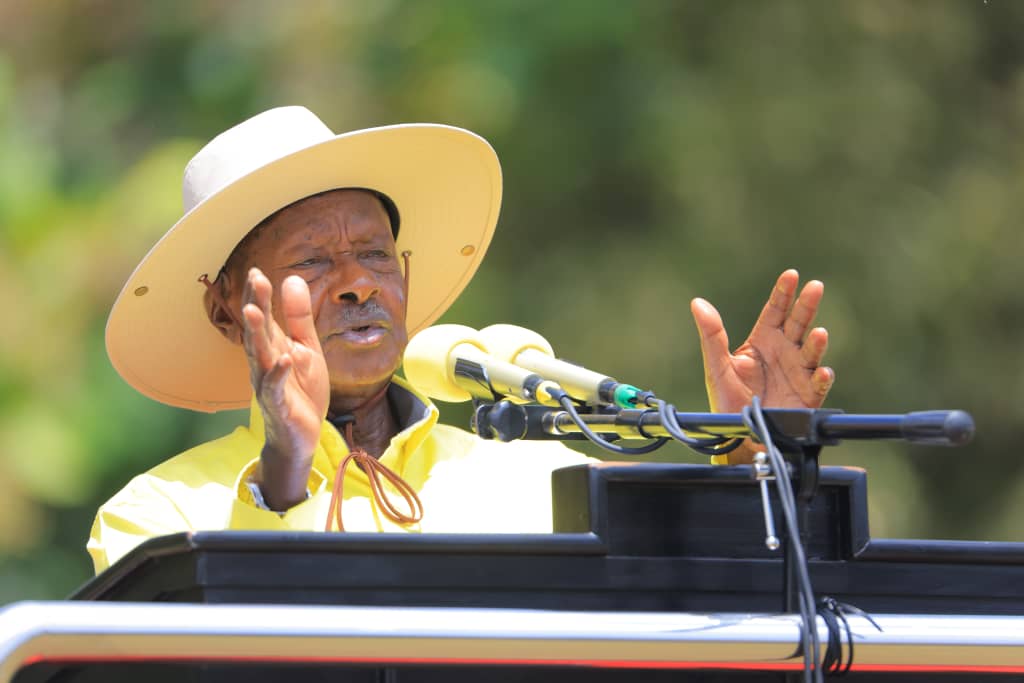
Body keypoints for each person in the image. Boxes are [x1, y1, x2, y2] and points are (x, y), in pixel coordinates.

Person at [89, 106, 834, 573]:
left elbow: (721, 607)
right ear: (229, 312)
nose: (357, 283)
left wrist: (758, 449)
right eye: (312, 262)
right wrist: (286, 469)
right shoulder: (154, 517)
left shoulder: (544, 479)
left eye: (375, 253)